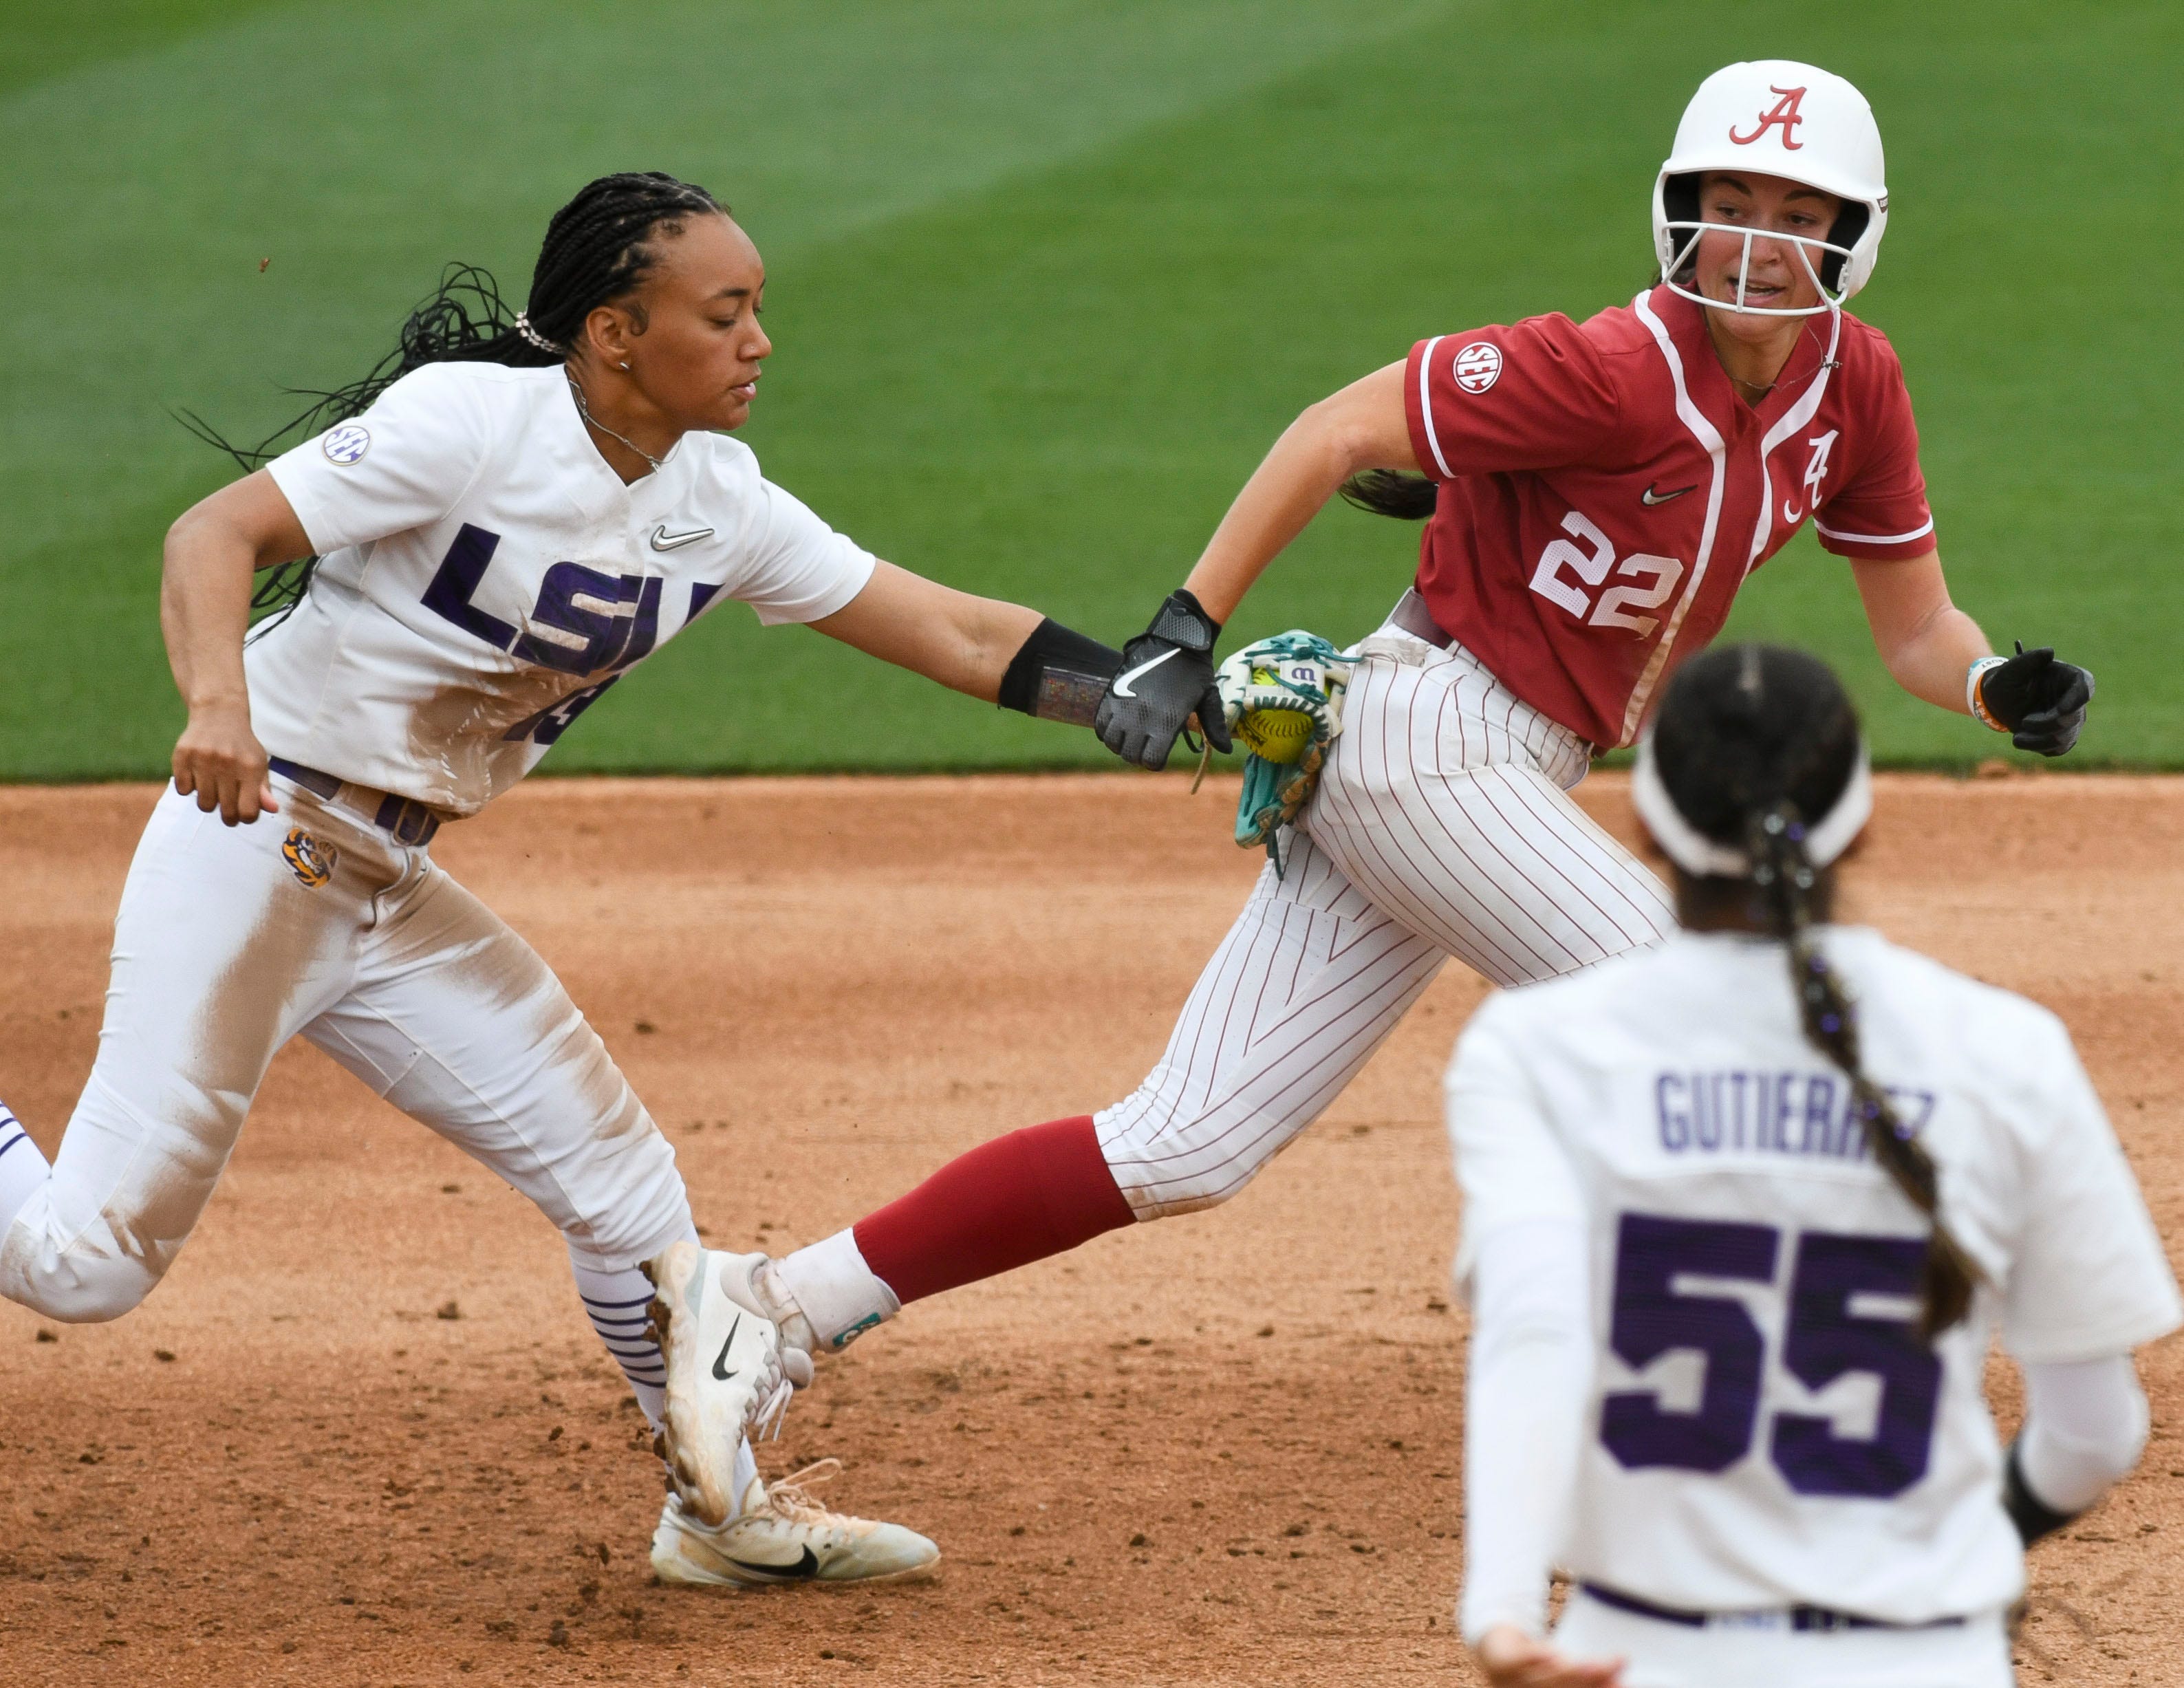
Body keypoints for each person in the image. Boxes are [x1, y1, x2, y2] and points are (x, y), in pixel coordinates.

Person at [689, 63, 2098, 1396]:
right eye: (1730, 203)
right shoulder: (1603, 365)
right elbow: (1336, 430)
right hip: (1422, 737)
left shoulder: (1853, 387)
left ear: (1851, 236)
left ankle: (774, 1306)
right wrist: (1188, 622)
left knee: (1186, 1144)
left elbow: (1918, 628)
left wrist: (1989, 688)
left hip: (1491, 776)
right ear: (1681, 207)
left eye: (1795, 216)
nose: (1754, 241)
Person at [0, 171, 1126, 1587]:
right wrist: (216, 701)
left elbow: (961, 636)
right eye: (724, 316)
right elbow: (211, 535)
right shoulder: (471, 425)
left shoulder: (717, 499)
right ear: (612, 332)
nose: (759, 342)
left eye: (757, 312)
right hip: (259, 843)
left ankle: (717, 1520)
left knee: (625, 1193)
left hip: (388, 887)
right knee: (82, 1267)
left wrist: (1146, 697)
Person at [1444, 642, 2177, 1688]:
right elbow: (2096, 1435)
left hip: (1642, 1653)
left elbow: (1536, 1323)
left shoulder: (1535, 1047)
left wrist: (1504, 1612)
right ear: (1863, 826)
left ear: (1650, 829)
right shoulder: (2003, 1050)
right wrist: (1975, 1544)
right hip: (1927, 1659)